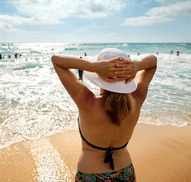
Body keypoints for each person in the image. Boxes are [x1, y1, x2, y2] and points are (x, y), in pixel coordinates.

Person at [52, 48, 157, 182]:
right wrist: (137, 65)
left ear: (100, 75)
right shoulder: (137, 99)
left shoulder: (86, 101)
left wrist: (92, 66)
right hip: (125, 171)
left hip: (90, 173)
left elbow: (56, 60)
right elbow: (153, 62)